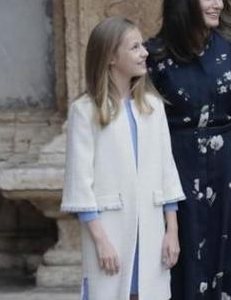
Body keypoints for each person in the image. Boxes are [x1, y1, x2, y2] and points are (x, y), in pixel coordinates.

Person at [146, 0, 231, 300]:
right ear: (186, 0)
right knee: (183, 255)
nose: (218, 4)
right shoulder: (154, 55)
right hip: (178, 163)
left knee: (225, 253)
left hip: (226, 163)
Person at [61, 16, 186, 300]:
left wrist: (172, 231)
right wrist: (101, 241)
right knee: (110, 292)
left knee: (150, 292)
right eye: (134, 47)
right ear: (110, 57)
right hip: (109, 229)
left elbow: (167, 171)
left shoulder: (152, 107)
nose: (145, 52)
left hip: (152, 228)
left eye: (142, 46)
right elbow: (80, 182)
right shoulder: (85, 111)